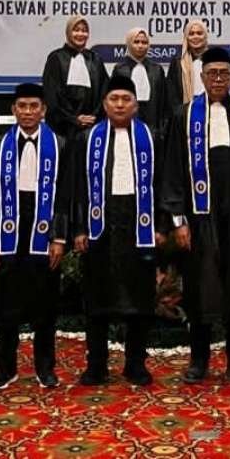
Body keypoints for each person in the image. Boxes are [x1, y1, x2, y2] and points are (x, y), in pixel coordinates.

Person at [160, 46, 230, 385]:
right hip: (200, 218)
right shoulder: (184, 115)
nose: (218, 79)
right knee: (199, 289)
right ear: (202, 77)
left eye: (224, 73)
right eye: (212, 74)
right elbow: (172, 170)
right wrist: (178, 220)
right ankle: (199, 360)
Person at [69, 75, 162, 386]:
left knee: (140, 298)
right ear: (104, 104)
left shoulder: (152, 137)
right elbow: (77, 188)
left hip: (139, 223)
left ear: (136, 105)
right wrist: (79, 228)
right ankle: (96, 364)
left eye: (126, 99)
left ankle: (135, 363)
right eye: (114, 99)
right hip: (100, 225)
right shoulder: (87, 139)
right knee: (97, 298)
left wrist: (161, 226)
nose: (120, 104)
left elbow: (163, 182)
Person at [0, 83, 69, 390]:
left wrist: (59, 238)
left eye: (34, 106)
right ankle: (5, 369)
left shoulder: (60, 144)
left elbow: (65, 196)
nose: (28, 112)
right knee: (6, 307)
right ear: (13, 110)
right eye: (22, 106)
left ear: (43, 110)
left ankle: (45, 368)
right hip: (9, 232)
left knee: (45, 307)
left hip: (44, 231)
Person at [42, 15, 108, 140]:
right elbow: (52, 95)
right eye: (76, 30)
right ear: (68, 32)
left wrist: (93, 117)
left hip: (91, 129)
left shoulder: (95, 59)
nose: (80, 34)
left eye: (84, 30)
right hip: (62, 130)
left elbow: (104, 92)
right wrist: (73, 119)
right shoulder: (56, 58)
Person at [112, 27, 170, 142]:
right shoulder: (120, 70)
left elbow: (164, 103)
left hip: (153, 130)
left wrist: (162, 131)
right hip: (126, 128)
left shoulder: (157, 70)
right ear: (129, 43)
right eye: (136, 42)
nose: (140, 45)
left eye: (144, 42)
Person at [167, 19, 208, 108]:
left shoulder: (214, 60)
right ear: (186, 37)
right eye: (191, 34)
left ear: (205, 36)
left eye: (199, 33)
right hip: (185, 111)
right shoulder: (178, 63)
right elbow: (171, 96)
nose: (195, 37)